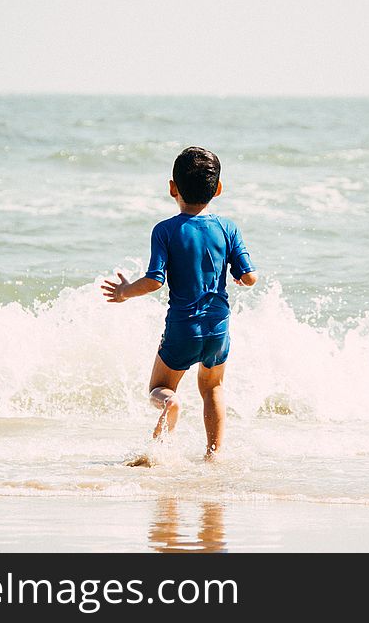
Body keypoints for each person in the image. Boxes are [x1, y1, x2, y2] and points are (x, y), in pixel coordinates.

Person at [101, 146, 257, 459]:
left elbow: (155, 281)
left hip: (183, 329)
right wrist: (240, 278)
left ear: (172, 188)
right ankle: (213, 456)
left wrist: (124, 291)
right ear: (219, 188)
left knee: (158, 389)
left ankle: (170, 404)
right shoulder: (229, 228)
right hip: (218, 328)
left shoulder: (165, 230)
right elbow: (250, 277)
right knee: (212, 388)